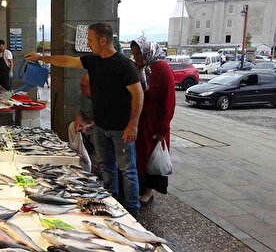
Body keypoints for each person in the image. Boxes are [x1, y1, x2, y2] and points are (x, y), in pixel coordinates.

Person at [25, 23, 144, 215]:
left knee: (128, 170)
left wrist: (133, 124)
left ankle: (132, 209)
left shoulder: (123, 64)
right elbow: (67, 61)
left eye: (90, 40)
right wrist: (41, 57)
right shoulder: (94, 60)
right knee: (106, 167)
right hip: (100, 125)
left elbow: (138, 95)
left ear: (103, 40)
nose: (88, 44)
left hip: (121, 127)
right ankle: (110, 201)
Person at [131, 37, 175, 206]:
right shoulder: (138, 68)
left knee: (150, 159)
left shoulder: (162, 69)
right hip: (139, 122)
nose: (136, 58)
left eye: (139, 54)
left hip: (154, 125)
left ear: (147, 51)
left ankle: (148, 192)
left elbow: (169, 101)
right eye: (134, 55)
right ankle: (139, 188)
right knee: (138, 158)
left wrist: (163, 128)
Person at [68, 74, 94, 144]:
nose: (81, 88)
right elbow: (78, 113)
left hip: (97, 124)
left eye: (84, 86)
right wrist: (78, 123)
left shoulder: (99, 96)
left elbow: (101, 119)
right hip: (86, 121)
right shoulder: (81, 94)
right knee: (72, 126)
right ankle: (76, 149)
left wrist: (88, 126)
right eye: (81, 85)